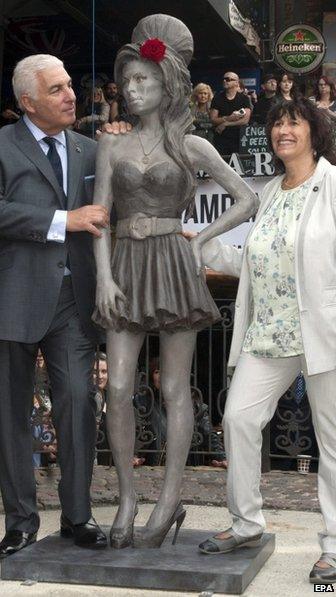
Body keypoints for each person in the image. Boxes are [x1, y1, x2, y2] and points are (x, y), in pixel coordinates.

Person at [92, 14, 258, 550]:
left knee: (172, 387)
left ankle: (168, 497)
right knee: (117, 387)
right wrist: (102, 277)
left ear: (169, 88)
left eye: (145, 81)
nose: (133, 90)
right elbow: (99, 215)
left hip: (174, 264)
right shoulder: (111, 144)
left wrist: (201, 236)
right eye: (129, 81)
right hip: (123, 266)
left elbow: (247, 198)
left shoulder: (194, 145)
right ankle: (126, 497)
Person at [198, 97, 336, 584]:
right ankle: (246, 523)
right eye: (277, 123)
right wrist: (202, 244)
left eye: (295, 122)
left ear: (314, 133)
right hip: (268, 332)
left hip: (324, 335)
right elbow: (255, 260)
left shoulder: (334, 186)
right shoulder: (272, 191)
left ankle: (334, 546)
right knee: (237, 419)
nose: (284, 130)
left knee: (332, 441)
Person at [0, 54, 110, 558]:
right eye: (57, 89)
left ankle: (78, 516)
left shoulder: (93, 150)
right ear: (28, 102)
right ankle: (21, 522)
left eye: (70, 85)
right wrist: (62, 219)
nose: (70, 95)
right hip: (12, 297)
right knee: (10, 414)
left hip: (73, 300)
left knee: (79, 405)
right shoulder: (2, 146)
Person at [134, 357, 227, 467]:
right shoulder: (142, 401)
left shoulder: (194, 405)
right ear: (151, 377)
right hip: (152, 466)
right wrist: (132, 455)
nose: (162, 376)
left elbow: (208, 434)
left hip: (186, 467)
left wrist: (222, 458)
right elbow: (134, 430)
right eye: (157, 372)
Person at [210, 71, 251, 156]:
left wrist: (226, 124)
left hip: (238, 138)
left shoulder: (244, 99)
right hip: (221, 139)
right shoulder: (217, 98)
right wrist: (229, 118)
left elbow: (245, 120)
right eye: (224, 79)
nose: (225, 81)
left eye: (228, 79)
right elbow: (213, 119)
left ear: (236, 82)